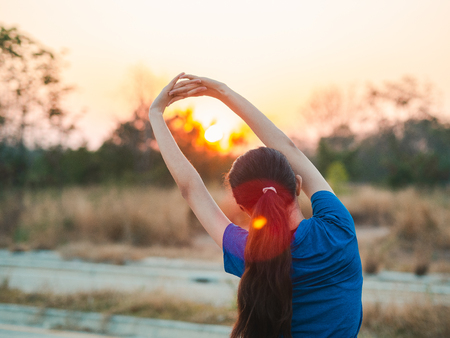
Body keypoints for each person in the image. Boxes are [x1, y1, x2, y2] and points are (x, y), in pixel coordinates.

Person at [148, 73, 363, 338]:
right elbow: (289, 149)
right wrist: (222, 91)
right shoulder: (337, 227)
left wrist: (156, 114)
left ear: (242, 207)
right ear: (297, 184)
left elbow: (190, 188)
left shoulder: (249, 253)